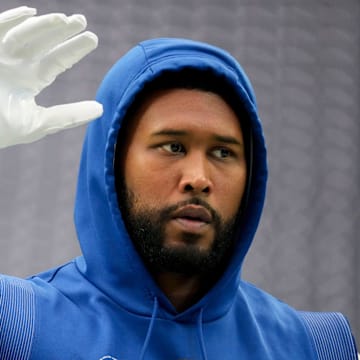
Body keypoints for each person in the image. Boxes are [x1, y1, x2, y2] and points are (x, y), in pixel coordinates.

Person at [0, 6, 358, 360]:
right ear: (110, 164)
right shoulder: (17, 326)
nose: (198, 179)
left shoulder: (316, 347)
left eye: (222, 153)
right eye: (172, 147)